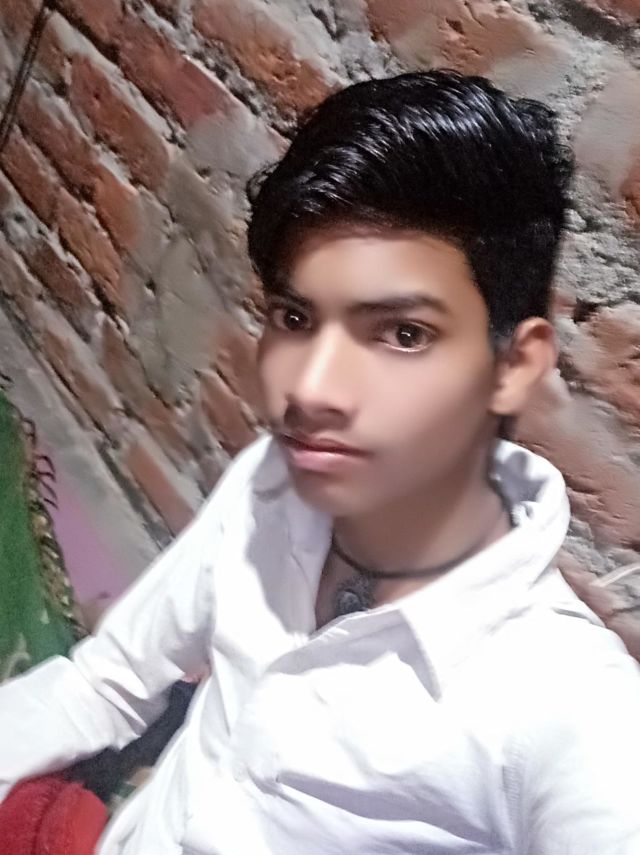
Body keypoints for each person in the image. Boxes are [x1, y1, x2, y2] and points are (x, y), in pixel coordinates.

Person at [1, 70, 639, 854]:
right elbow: (107, 680)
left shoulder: (571, 712)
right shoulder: (275, 482)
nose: (310, 388)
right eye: (295, 317)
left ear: (514, 364)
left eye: (402, 333)